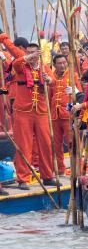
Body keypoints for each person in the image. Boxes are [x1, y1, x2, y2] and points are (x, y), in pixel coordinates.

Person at [1, 35, 57, 188]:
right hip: (22, 111)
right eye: (29, 52)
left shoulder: (44, 67)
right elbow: (17, 61)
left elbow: (53, 81)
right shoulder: (21, 65)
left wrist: (48, 80)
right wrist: (27, 56)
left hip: (41, 111)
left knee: (45, 144)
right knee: (24, 145)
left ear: (39, 53)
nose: (32, 55)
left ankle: (47, 176)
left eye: (35, 53)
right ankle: (23, 178)